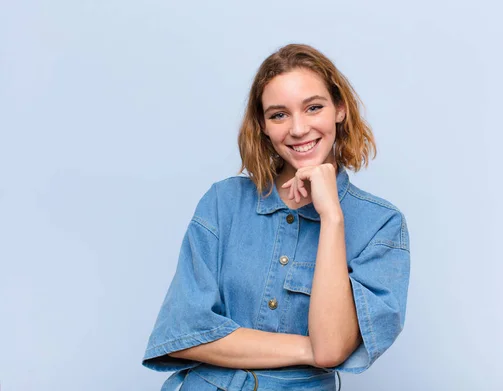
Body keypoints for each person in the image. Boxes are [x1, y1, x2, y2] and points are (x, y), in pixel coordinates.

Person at [141, 43, 411, 391]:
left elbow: (330, 348)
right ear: (263, 125)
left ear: (339, 109)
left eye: (313, 107)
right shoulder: (223, 203)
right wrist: (306, 348)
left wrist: (331, 217)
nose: (298, 129)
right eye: (279, 114)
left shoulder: (382, 225)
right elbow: (184, 334)